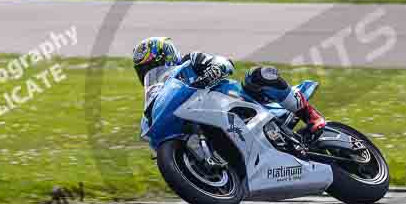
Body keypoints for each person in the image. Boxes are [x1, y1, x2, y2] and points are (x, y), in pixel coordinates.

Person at [132, 37, 326, 135]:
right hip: (212, 120)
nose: (151, 72)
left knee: (258, 75)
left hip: (240, 101)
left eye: (154, 65)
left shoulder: (190, 61)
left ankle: (310, 114)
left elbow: (224, 62)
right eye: (145, 70)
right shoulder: (159, 96)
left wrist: (215, 70)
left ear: (168, 56)